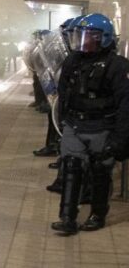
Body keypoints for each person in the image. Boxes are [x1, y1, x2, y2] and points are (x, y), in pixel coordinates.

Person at [52, 13, 129, 235]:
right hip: (75, 124)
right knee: (71, 167)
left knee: (100, 170)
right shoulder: (72, 61)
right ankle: (67, 217)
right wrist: (65, 121)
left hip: (102, 127)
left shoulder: (117, 65)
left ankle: (98, 214)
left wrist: (119, 140)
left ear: (102, 38)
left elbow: (125, 104)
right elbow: (63, 93)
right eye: (79, 35)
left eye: (89, 36)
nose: (82, 40)